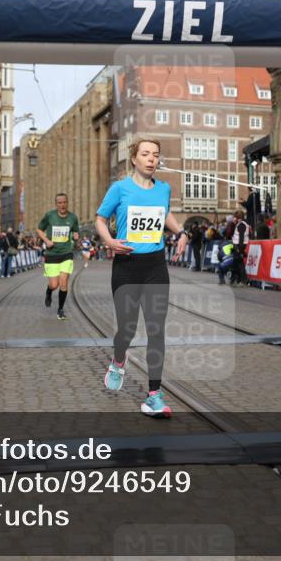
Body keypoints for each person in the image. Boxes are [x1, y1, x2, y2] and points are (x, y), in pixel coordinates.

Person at [96, 138, 187, 418]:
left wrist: (181, 232)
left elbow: (164, 213)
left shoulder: (164, 189)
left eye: (156, 155)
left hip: (155, 267)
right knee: (127, 329)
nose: (151, 158)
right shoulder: (119, 188)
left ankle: (154, 395)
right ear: (134, 159)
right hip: (126, 266)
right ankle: (119, 358)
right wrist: (110, 241)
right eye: (145, 154)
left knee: (156, 329)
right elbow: (100, 219)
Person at [37, 193, 80, 320]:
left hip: (66, 254)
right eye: (59, 203)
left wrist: (76, 236)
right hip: (51, 254)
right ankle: (49, 291)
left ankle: (60, 310)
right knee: (54, 285)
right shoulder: (50, 216)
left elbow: (75, 231)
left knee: (63, 282)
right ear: (56, 204)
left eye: (64, 202)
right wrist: (46, 240)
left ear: (67, 203)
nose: (62, 205)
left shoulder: (73, 217)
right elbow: (39, 230)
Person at [230, 210, 250, 286]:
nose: (233, 218)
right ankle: (238, 279)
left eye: (234, 217)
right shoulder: (240, 224)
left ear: (238, 217)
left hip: (239, 246)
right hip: (238, 245)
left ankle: (243, 280)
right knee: (237, 263)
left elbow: (241, 238)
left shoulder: (241, 225)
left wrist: (239, 249)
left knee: (239, 264)